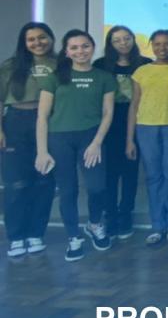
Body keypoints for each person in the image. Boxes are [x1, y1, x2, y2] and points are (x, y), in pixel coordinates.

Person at [34, 30, 116, 262]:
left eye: (85, 46)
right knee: (68, 190)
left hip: (91, 137)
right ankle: (73, 237)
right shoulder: (55, 77)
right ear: (67, 51)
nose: (81, 51)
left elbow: (108, 113)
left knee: (97, 187)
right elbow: (42, 116)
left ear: (93, 47)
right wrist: (42, 151)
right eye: (74, 47)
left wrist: (97, 142)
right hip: (59, 139)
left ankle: (94, 224)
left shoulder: (104, 77)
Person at [1, 22, 57, 257]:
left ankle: (36, 234)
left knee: (44, 182)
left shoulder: (61, 64)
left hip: (51, 124)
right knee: (16, 183)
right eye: (31, 39)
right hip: (16, 122)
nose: (37, 43)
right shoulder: (10, 66)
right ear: (24, 43)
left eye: (42, 37)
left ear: (51, 38)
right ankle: (16, 237)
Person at [129, 30, 168, 246]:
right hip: (146, 128)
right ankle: (157, 226)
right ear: (151, 45)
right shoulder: (141, 71)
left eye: (167, 43)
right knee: (153, 177)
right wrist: (129, 138)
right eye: (158, 44)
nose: (162, 48)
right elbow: (134, 105)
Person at [94, 26, 151, 240]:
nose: (123, 43)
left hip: (138, 119)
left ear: (133, 40)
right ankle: (110, 216)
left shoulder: (145, 64)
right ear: (110, 43)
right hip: (108, 122)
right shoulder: (101, 65)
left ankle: (126, 214)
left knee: (130, 172)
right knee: (109, 173)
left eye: (126, 38)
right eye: (117, 40)